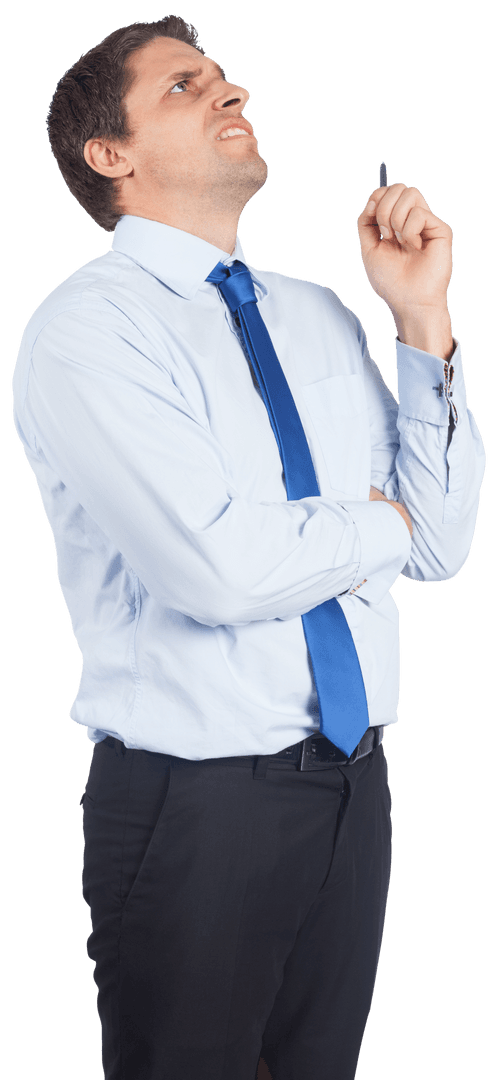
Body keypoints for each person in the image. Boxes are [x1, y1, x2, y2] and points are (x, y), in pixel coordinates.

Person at [11, 13, 485, 1080]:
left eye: (226, 78)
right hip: (196, 808)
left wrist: (422, 320)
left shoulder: (321, 314)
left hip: (356, 789)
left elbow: (444, 543)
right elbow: (219, 570)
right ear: (110, 155)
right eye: (187, 87)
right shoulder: (91, 332)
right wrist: (376, 528)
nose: (234, 93)